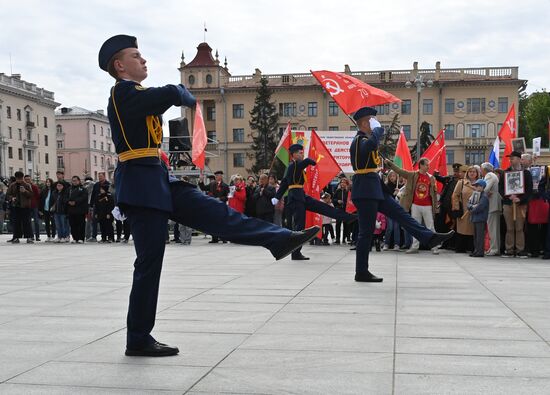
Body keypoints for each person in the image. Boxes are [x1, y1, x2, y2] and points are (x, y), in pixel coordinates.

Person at [98, 34, 319, 357]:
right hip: (140, 186)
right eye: (136, 56)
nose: (143, 60)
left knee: (218, 213)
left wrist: (182, 97)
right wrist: (183, 95)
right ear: (120, 65)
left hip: (158, 180)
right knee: (149, 262)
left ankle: (279, 239)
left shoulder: (137, 95)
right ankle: (138, 338)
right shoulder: (122, 93)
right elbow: (171, 93)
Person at [349, 106, 453, 282]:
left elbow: (373, 151)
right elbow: (370, 146)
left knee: (401, 214)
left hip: (376, 188)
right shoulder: (359, 140)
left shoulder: (366, 139)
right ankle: (361, 271)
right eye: (372, 120)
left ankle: (429, 237)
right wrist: (377, 131)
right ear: (364, 122)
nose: (376, 122)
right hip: (365, 190)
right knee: (366, 233)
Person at [272, 143, 356, 260]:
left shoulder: (295, 166)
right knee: (299, 226)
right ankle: (295, 253)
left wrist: (277, 196)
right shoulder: (294, 165)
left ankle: (348, 217)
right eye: (299, 153)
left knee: (324, 208)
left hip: (301, 196)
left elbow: (285, 183)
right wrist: (310, 161)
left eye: (302, 152)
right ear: (293, 155)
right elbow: (303, 165)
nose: (302, 154)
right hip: (296, 199)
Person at [385, 158, 439, 254]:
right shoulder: (412, 175)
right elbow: (399, 170)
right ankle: (414, 247)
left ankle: (434, 247)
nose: (428, 166)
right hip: (415, 205)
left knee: (430, 226)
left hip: (428, 206)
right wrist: (389, 163)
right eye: (427, 165)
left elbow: (434, 194)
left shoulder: (431, 178)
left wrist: (435, 207)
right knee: (415, 227)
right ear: (421, 165)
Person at [499, 151, 533, 258]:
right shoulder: (505, 173)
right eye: (510, 158)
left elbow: (529, 190)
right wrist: (508, 196)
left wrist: (520, 199)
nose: (510, 160)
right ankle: (509, 250)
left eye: (513, 158)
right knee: (509, 228)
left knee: (519, 228)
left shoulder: (526, 173)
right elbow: (500, 188)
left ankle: (520, 250)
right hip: (508, 203)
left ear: (519, 159)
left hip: (520, 205)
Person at [452, 165, 479, 253]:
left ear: (477, 173)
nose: (472, 173)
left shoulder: (480, 183)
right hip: (463, 210)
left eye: (474, 172)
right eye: (470, 171)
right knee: (462, 230)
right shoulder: (462, 182)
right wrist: (456, 207)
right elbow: (455, 195)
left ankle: (471, 248)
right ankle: (460, 248)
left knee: (473, 230)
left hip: (475, 211)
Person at [5, 171, 34, 244]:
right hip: (16, 206)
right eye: (18, 179)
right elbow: (8, 195)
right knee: (16, 223)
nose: (19, 180)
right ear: (16, 178)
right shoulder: (12, 185)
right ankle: (16, 237)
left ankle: (29, 237)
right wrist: (12, 198)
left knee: (27, 222)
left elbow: (31, 195)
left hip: (25, 206)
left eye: (20, 179)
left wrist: (24, 191)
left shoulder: (27, 185)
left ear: (22, 178)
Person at [480, 163, 501, 256]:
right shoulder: (493, 175)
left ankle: (494, 249)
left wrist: (479, 190)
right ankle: (494, 248)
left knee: (493, 229)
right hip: (493, 205)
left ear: (484, 169)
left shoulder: (489, 175)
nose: (480, 171)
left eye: (481, 169)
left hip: (492, 205)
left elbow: (484, 189)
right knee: (494, 228)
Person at [467, 179, 489, 257]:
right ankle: (476, 250)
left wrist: (471, 209)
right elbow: (468, 203)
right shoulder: (475, 195)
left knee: (480, 236)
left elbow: (480, 207)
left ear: (482, 187)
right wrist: (471, 207)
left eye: (477, 186)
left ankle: (480, 251)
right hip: (475, 218)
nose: (476, 187)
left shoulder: (484, 196)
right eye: (475, 186)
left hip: (480, 218)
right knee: (476, 236)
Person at [207, 171, 230, 244]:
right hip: (213, 206)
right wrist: (200, 181)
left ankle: (223, 238)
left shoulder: (225, 186)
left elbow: (227, 197)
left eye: (217, 175)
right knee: (213, 222)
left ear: (221, 176)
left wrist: (220, 198)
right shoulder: (212, 184)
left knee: (222, 223)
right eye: (216, 175)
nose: (216, 177)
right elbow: (204, 187)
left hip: (221, 206)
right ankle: (214, 238)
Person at [67, 176, 89, 243]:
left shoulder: (83, 189)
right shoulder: (69, 189)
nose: (74, 182)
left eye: (76, 180)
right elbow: (66, 196)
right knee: (73, 225)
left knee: (81, 225)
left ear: (79, 181)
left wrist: (75, 202)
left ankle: (81, 238)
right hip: (71, 210)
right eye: (73, 180)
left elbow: (83, 197)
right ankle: (75, 238)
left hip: (80, 210)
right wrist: (69, 201)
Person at [332, 177, 351, 245]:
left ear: (346, 184)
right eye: (341, 182)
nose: (342, 184)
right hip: (339, 209)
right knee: (338, 224)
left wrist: (345, 203)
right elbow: (333, 199)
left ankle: (345, 238)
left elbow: (350, 201)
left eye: (344, 182)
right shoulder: (338, 191)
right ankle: (337, 239)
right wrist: (337, 201)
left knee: (346, 224)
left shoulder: (348, 191)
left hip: (346, 210)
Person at [24, 175, 41, 241]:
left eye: (28, 179)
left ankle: (37, 236)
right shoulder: (24, 187)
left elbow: (37, 196)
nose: (27, 181)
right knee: (28, 222)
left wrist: (37, 205)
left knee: (36, 221)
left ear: (31, 179)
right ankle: (31, 236)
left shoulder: (34, 187)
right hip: (27, 206)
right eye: (26, 179)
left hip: (34, 206)